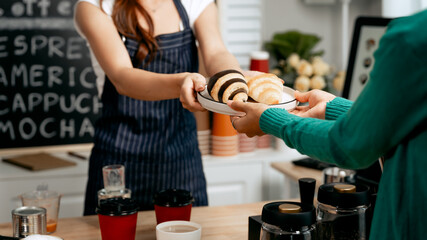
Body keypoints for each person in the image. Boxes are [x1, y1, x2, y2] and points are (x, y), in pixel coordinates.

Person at [228, 10, 427, 240]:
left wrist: (271, 120)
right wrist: (333, 107)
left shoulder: (411, 39)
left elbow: (348, 145)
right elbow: (405, 116)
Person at [74, 0, 243, 215]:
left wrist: (234, 77)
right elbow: (122, 77)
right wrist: (182, 82)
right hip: (117, 164)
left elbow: (216, 52)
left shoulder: (194, 3)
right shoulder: (95, 6)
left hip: (181, 159)